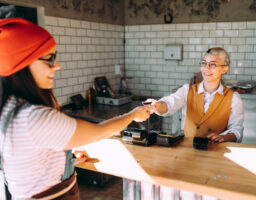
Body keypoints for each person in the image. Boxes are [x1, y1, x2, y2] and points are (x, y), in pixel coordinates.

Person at [0, 18, 151, 199]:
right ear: (21, 64)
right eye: (49, 59)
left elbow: (30, 163)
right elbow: (99, 132)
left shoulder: (9, 108)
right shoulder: (33, 117)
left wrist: (66, 159)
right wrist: (133, 115)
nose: (57, 66)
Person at [147, 47, 244, 143]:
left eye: (213, 65)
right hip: (188, 149)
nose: (206, 68)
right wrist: (157, 105)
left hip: (216, 151)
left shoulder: (233, 98)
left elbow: (236, 129)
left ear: (224, 69)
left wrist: (224, 137)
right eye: (204, 63)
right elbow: (170, 103)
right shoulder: (187, 90)